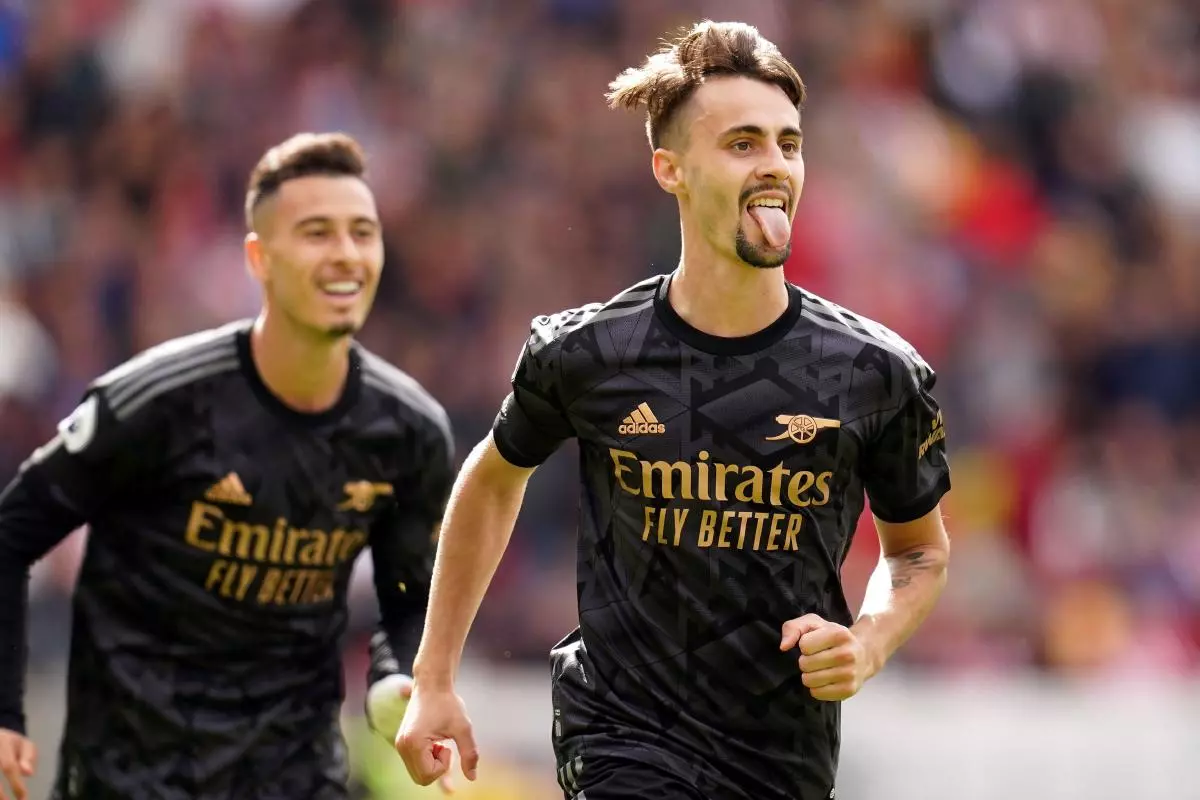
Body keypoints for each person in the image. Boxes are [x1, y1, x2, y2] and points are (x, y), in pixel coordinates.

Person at [396, 20, 953, 800]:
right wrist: (434, 677)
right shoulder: (590, 352)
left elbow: (918, 554)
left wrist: (867, 642)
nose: (775, 167)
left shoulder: (875, 372)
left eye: (788, 144)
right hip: (622, 739)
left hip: (782, 761)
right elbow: (492, 480)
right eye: (743, 144)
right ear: (672, 169)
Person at [0, 132, 455, 800]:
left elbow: (408, 601)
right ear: (258, 259)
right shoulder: (155, 404)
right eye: (316, 233)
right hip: (132, 781)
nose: (346, 255)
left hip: (298, 780)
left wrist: (397, 679)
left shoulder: (409, 432)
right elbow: (13, 532)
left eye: (363, 233)